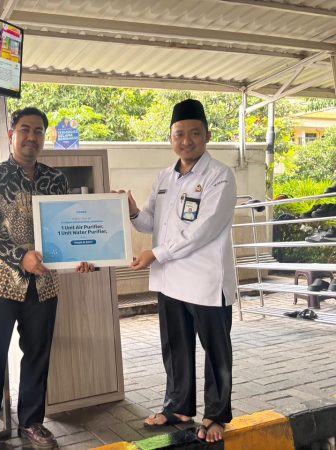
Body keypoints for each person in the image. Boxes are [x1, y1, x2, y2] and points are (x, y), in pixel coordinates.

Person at [0, 107, 94, 450]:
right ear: (11, 134)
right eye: (25, 129)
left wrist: (82, 255)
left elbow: (68, 227)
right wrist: (18, 257)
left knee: (38, 354)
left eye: (38, 131)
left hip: (43, 282)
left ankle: (31, 423)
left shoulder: (56, 180)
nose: (32, 137)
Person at [127, 99, 236, 443]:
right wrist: (132, 212)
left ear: (207, 136)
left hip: (206, 281)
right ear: (170, 138)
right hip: (170, 280)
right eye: (179, 134)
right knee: (175, 348)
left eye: (194, 133)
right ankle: (178, 406)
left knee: (216, 352)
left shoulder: (220, 176)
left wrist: (156, 254)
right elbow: (152, 222)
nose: (186, 140)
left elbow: (205, 229)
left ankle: (216, 415)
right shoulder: (164, 177)